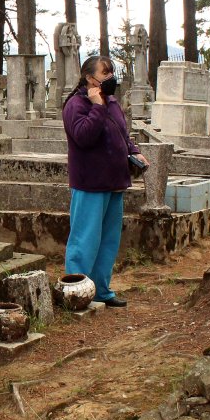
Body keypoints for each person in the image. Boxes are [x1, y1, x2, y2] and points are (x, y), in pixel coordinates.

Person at [61, 56, 148, 307]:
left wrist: (133, 150)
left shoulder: (112, 102)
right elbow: (83, 136)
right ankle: (75, 291)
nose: (110, 78)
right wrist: (96, 105)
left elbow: (121, 131)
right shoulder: (76, 105)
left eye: (112, 72)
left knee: (108, 241)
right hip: (90, 182)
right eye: (105, 73)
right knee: (84, 240)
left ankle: (100, 289)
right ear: (90, 78)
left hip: (114, 180)